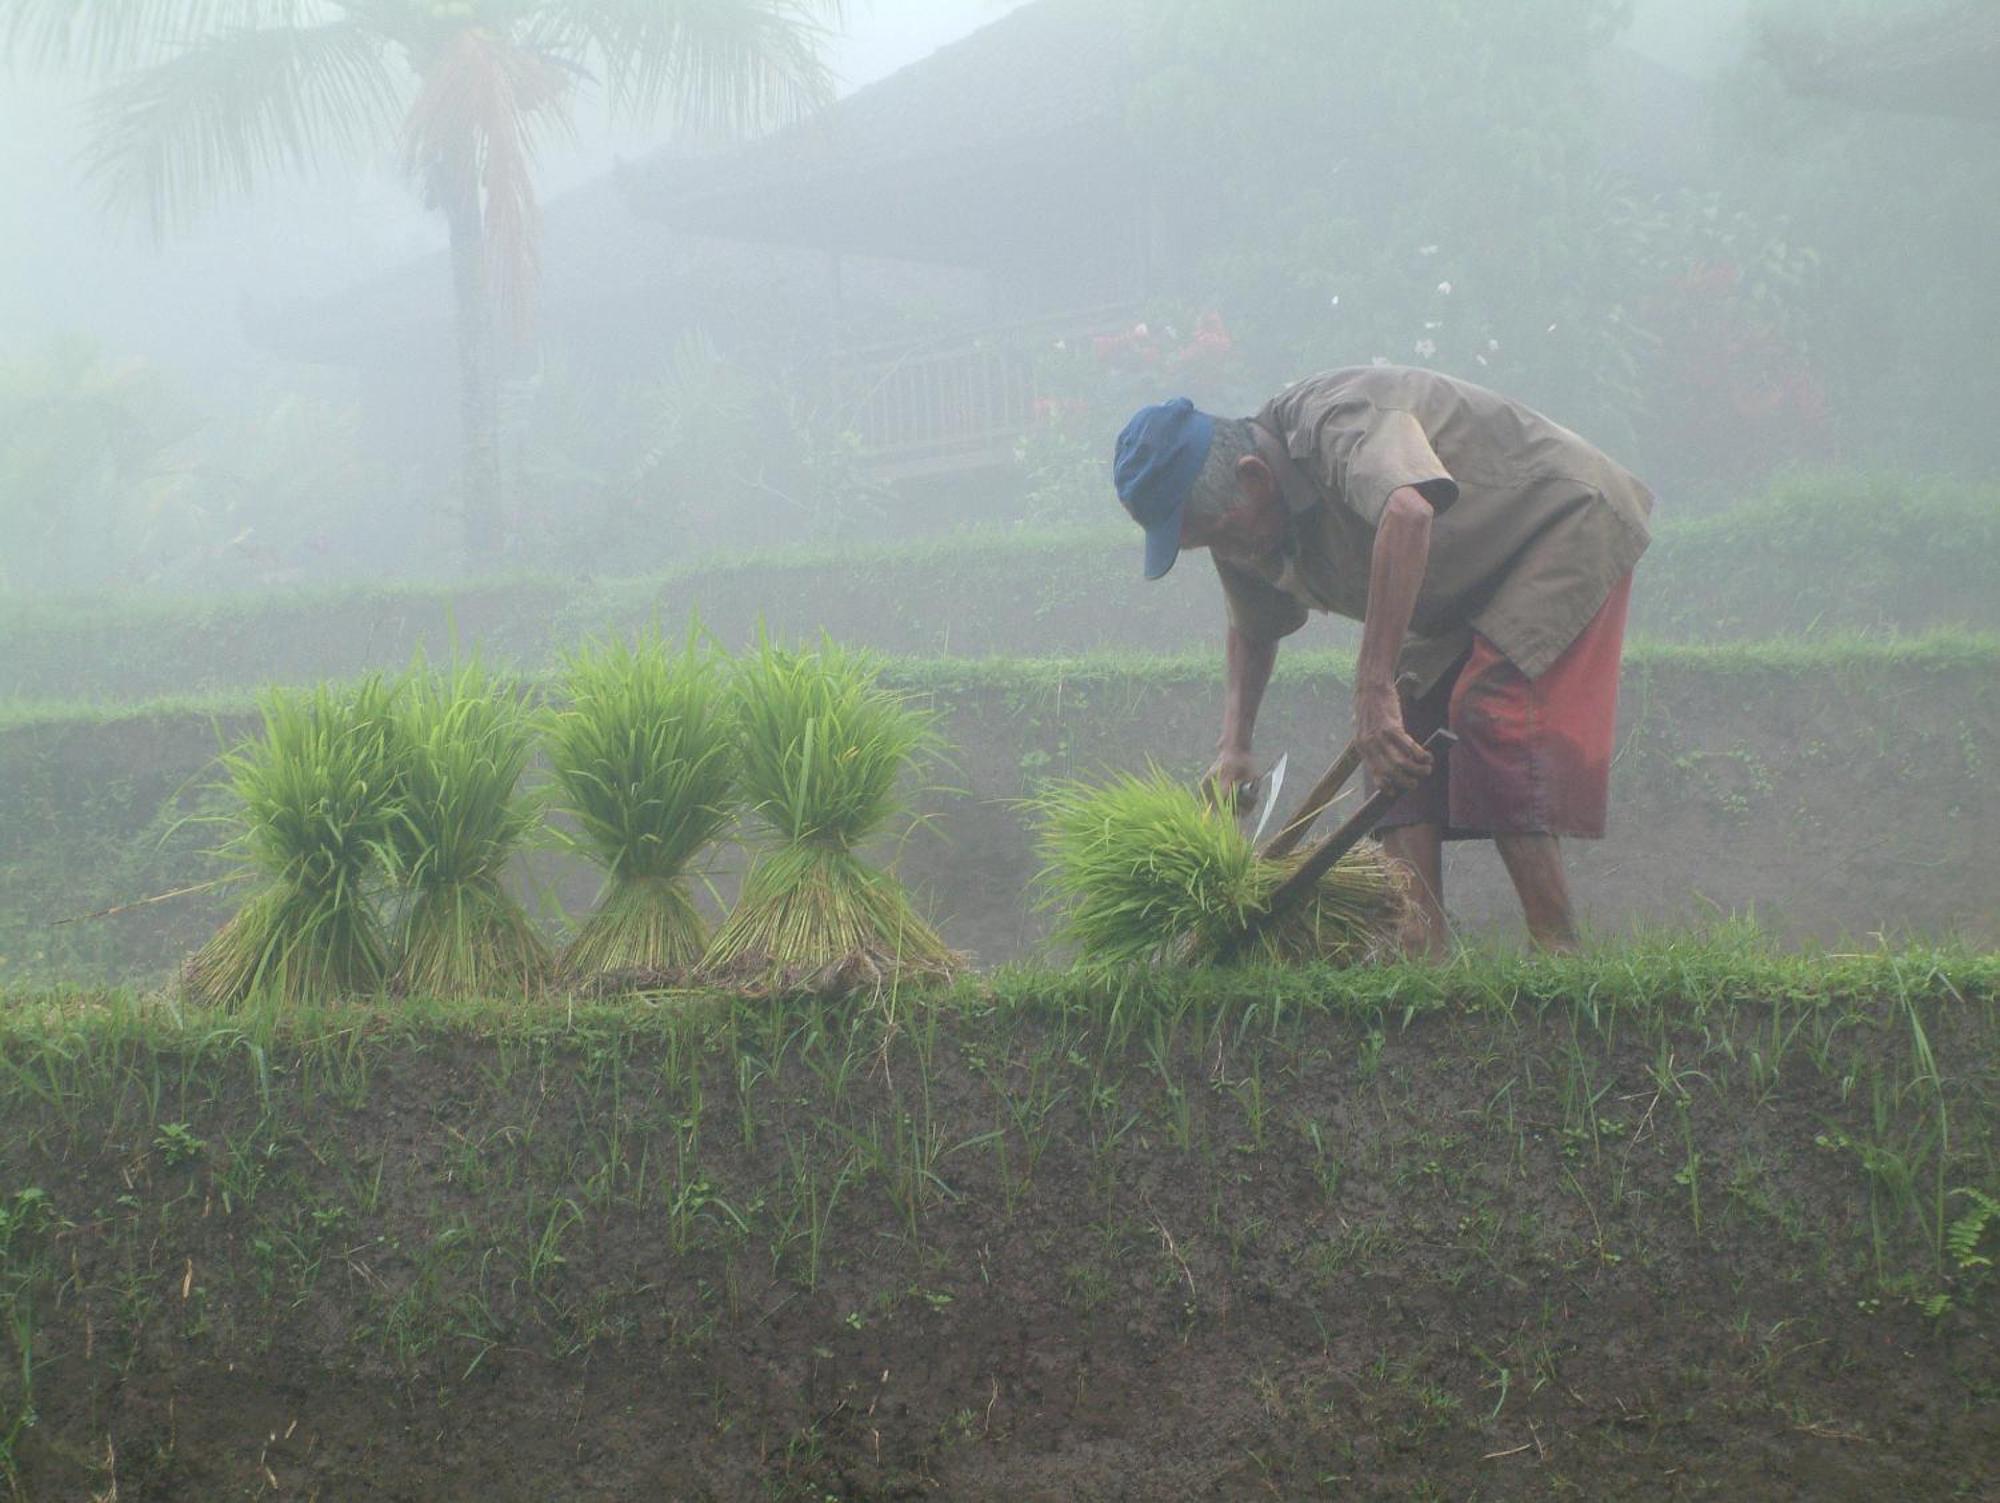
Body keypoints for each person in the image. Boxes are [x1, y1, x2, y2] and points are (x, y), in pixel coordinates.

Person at [1112, 366, 1652, 955]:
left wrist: (1372, 688)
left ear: (1253, 477)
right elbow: (1253, 625)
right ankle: (1420, 952)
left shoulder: (1338, 420)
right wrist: (1234, 746)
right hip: (1456, 577)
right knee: (1396, 743)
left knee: (1488, 708)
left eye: (1220, 533)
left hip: (1559, 522)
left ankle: (1557, 949)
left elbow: (1409, 512)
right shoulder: (1243, 522)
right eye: (1206, 545)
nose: (1226, 553)